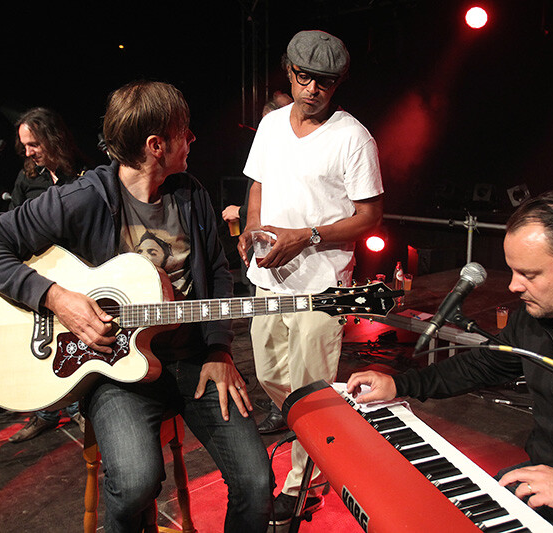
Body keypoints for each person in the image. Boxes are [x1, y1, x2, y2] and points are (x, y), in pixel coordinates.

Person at [0, 80, 272, 532]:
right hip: (115, 371)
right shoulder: (83, 198)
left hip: (194, 360)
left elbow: (219, 275)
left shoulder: (191, 194)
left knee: (257, 483)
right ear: (156, 145)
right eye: (184, 132)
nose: (193, 138)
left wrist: (220, 350)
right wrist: (56, 298)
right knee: (134, 483)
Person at [347, 190, 553, 532]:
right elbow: (482, 364)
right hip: (546, 485)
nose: (514, 286)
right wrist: (400, 384)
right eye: (513, 271)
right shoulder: (539, 314)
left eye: (529, 274)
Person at [238, 30, 384, 526]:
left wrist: (308, 236)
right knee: (269, 375)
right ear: (288, 71)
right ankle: (327, 435)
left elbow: (370, 217)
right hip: (268, 277)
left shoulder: (353, 137)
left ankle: (305, 484)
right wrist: (252, 225)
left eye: (325, 81)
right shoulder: (271, 125)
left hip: (322, 285)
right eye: (304, 78)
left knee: (310, 388)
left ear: (338, 83)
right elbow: (258, 184)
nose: (313, 89)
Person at [6, 107, 88, 442]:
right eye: (24, 145)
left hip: (76, 271)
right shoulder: (27, 177)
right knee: (41, 343)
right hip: (39, 273)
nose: (28, 152)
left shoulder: (81, 172)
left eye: (34, 144)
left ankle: (78, 407)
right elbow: (12, 222)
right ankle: (45, 413)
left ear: (52, 139)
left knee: (72, 339)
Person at [222, 91, 294, 425]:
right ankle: (282, 403)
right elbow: (258, 190)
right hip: (262, 260)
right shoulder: (266, 147)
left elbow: (283, 202)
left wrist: (239, 212)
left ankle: (287, 412)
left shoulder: (296, 153)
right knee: (267, 348)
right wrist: (247, 221)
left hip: (290, 262)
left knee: (290, 346)